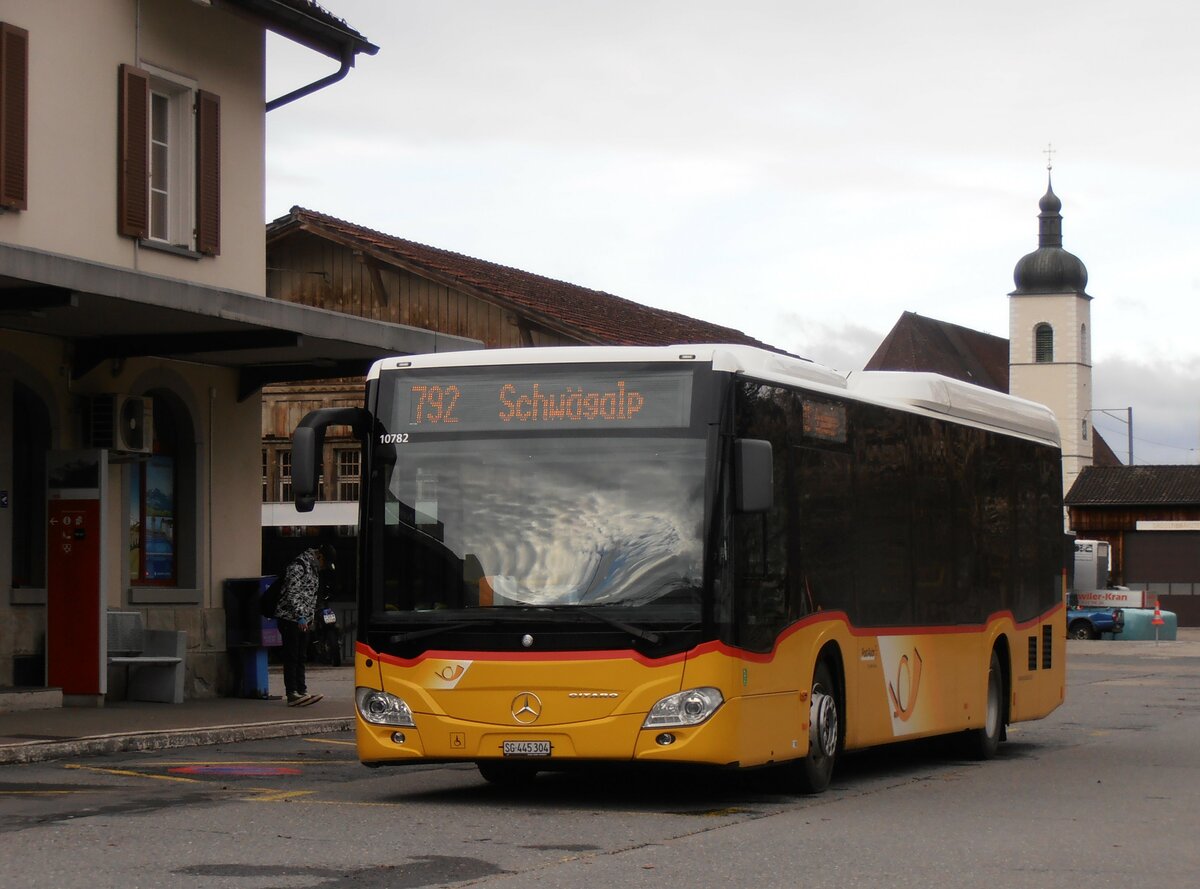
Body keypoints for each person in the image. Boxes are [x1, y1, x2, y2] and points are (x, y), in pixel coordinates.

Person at [274, 543, 335, 706]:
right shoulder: (298, 566)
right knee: (292, 655)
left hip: (304, 620)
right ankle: (292, 693)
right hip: (289, 618)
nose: (324, 567)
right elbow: (293, 594)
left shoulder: (314, 570)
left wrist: (310, 618)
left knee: (302, 656)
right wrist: (300, 616)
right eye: (325, 563)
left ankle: (302, 690)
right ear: (319, 557)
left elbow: (310, 595)